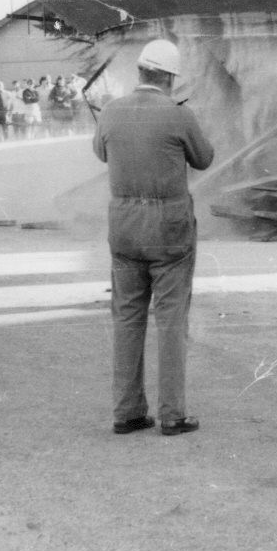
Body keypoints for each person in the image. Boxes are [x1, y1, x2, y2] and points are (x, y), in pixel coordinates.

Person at [92, 39, 214, 436]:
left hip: (124, 226)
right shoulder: (179, 115)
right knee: (172, 319)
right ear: (168, 77)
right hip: (169, 227)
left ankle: (127, 413)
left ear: (141, 72)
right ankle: (172, 414)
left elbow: (102, 153)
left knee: (127, 318)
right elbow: (204, 158)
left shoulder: (110, 112)